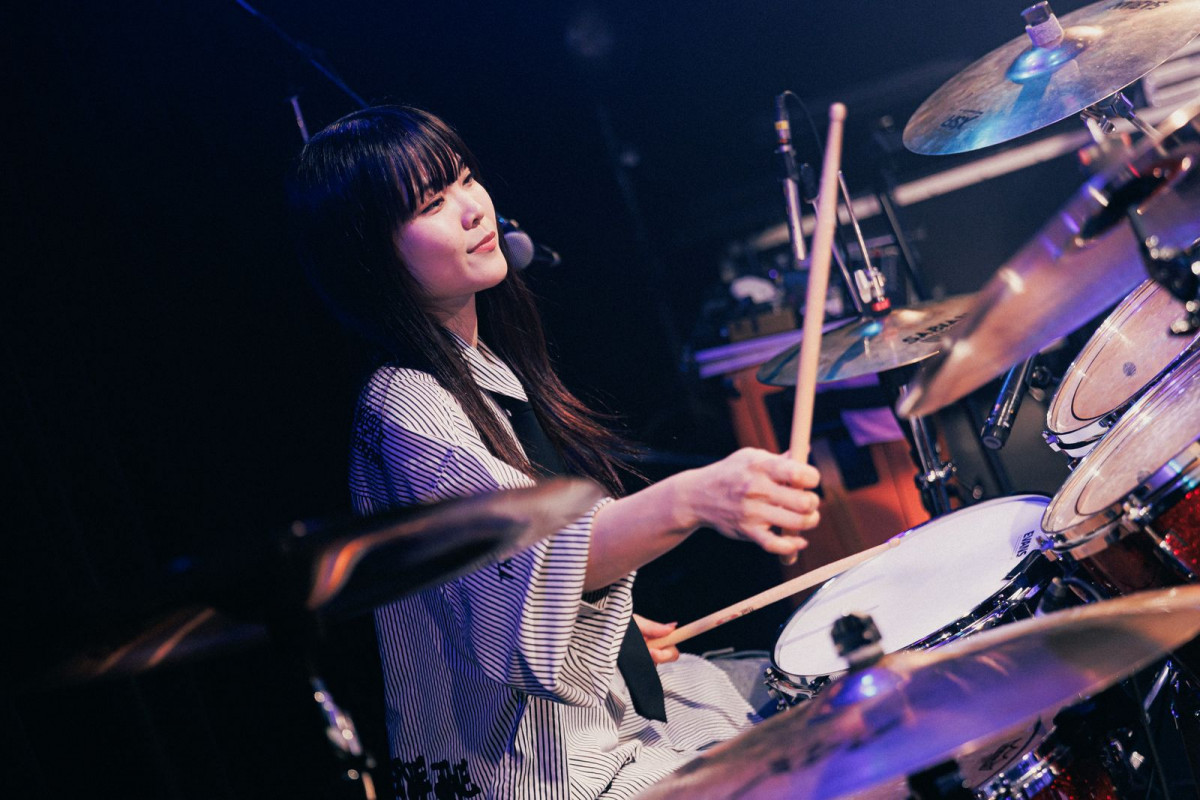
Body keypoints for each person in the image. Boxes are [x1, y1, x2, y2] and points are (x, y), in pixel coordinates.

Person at [291, 105, 821, 800]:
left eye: (465, 179)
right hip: (536, 777)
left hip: (586, 732)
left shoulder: (482, 365)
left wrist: (607, 639)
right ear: (372, 256)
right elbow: (532, 555)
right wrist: (692, 498)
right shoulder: (405, 402)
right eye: (431, 204)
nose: (473, 209)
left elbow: (495, 594)